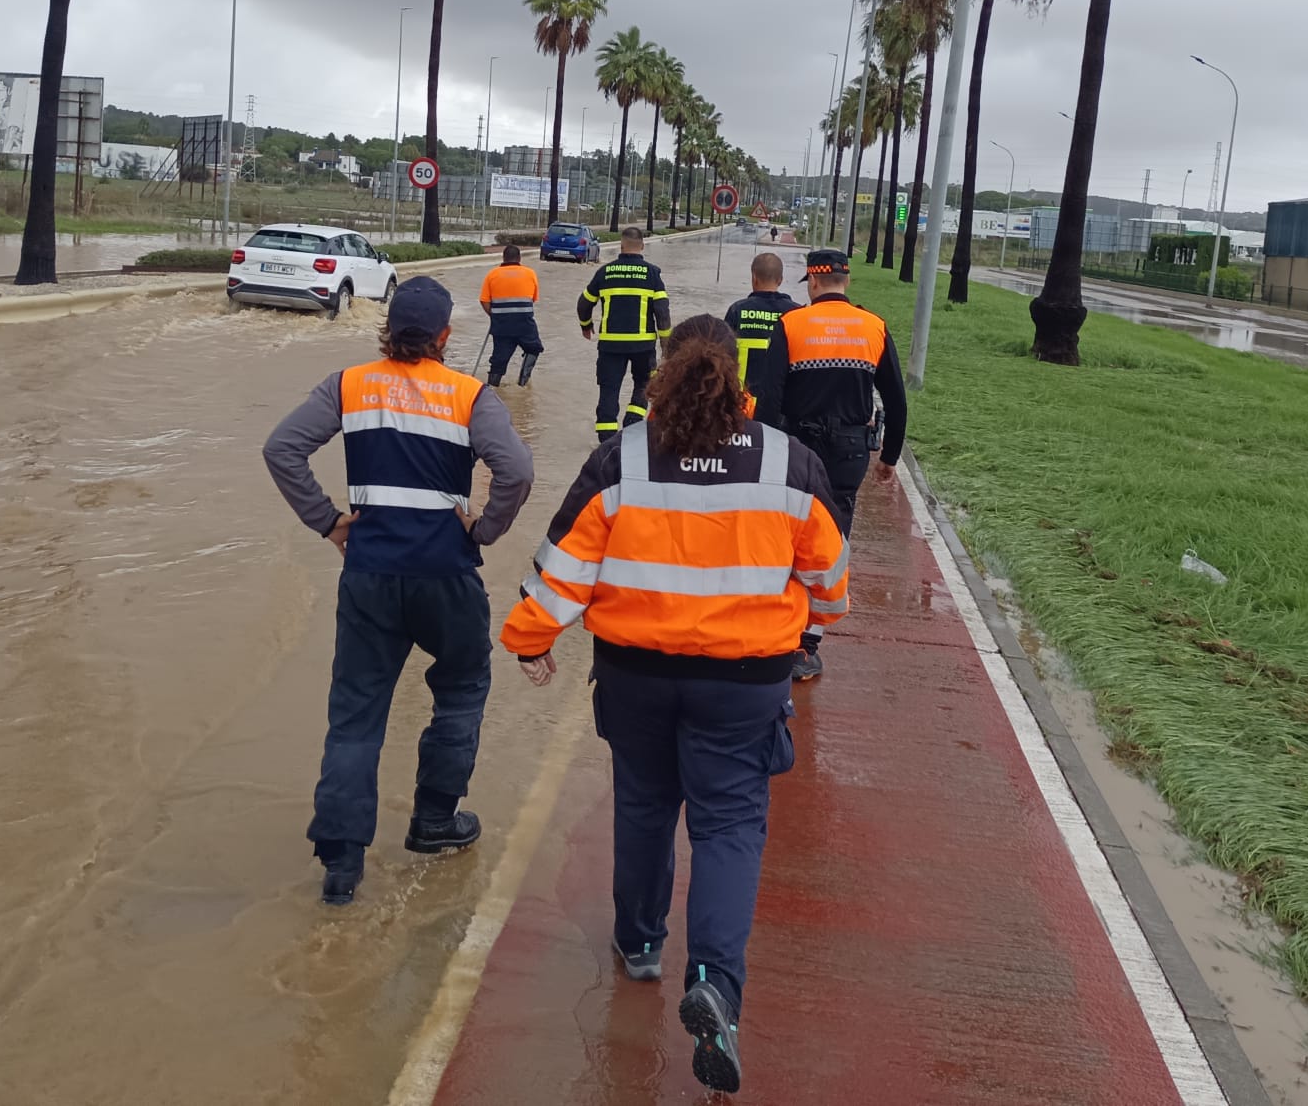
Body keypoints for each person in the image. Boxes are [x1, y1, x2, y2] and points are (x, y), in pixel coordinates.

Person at [502, 315, 850, 1097]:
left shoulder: (620, 458)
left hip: (635, 676)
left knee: (645, 805)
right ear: (738, 375)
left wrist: (530, 637)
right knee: (729, 825)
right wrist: (809, 627)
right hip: (745, 683)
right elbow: (832, 586)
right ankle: (717, 986)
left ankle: (641, 944)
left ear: (662, 373)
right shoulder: (789, 465)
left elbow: (564, 565)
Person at [262, 275, 534, 905]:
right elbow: (516, 471)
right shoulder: (471, 396)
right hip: (447, 575)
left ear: (387, 330)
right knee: (462, 688)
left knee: (356, 713)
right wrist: (485, 530)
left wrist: (328, 521)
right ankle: (435, 820)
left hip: (369, 577)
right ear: (444, 335)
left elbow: (283, 448)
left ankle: (340, 860)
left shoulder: (349, 384)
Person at [750, 248, 905, 683]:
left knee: (784, 535)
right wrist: (888, 457)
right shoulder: (874, 327)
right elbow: (896, 401)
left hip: (797, 449)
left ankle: (775, 627)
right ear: (846, 281)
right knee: (831, 543)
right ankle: (807, 646)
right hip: (850, 454)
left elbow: (769, 397)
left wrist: (761, 451)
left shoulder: (791, 324)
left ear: (813, 283)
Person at [578, 226, 670, 440]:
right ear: (642, 246)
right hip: (643, 346)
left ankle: (606, 442)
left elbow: (584, 303)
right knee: (643, 385)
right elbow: (662, 313)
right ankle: (632, 425)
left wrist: (586, 324)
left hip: (610, 346)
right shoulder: (652, 274)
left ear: (621, 245)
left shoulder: (605, 272)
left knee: (609, 390)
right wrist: (666, 348)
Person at [723, 251, 797, 418]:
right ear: (781, 280)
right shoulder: (795, 313)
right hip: (780, 405)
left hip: (741, 403)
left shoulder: (737, 310)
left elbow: (722, 356)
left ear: (753, 278)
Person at [477, 244, 543, 387]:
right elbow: (533, 299)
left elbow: (484, 300)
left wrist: (494, 315)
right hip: (524, 324)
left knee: (499, 359)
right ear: (519, 258)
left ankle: (493, 387)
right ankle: (523, 383)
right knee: (534, 348)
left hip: (502, 325)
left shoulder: (492, 274)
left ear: (503, 258)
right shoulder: (530, 273)